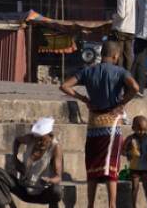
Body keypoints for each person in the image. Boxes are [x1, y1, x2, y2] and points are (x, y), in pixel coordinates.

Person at [60, 40, 139, 208]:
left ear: (101, 54)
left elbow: (64, 86)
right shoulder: (120, 71)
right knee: (111, 170)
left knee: (92, 168)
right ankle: (111, 205)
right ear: (116, 55)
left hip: (93, 125)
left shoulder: (88, 71)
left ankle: (90, 205)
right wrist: (121, 104)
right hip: (111, 124)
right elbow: (135, 87)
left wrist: (83, 99)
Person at [0, 117, 64, 208]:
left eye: (42, 139)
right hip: (24, 188)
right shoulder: (31, 138)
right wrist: (15, 158)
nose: (39, 142)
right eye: (37, 139)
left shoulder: (55, 148)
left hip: (42, 193)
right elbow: (17, 140)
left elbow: (58, 177)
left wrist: (49, 180)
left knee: (57, 190)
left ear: (49, 136)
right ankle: (9, 205)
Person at [122, 115, 147, 208]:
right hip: (134, 168)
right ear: (133, 128)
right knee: (135, 188)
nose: (141, 132)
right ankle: (134, 206)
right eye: (139, 130)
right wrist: (128, 154)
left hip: (144, 168)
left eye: (144, 130)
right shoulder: (130, 139)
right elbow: (123, 150)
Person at [110, 0, 138, 71]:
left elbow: (121, 15)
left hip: (121, 29)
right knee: (129, 54)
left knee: (119, 55)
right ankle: (128, 75)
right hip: (132, 29)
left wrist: (113, 16)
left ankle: (119, 75)